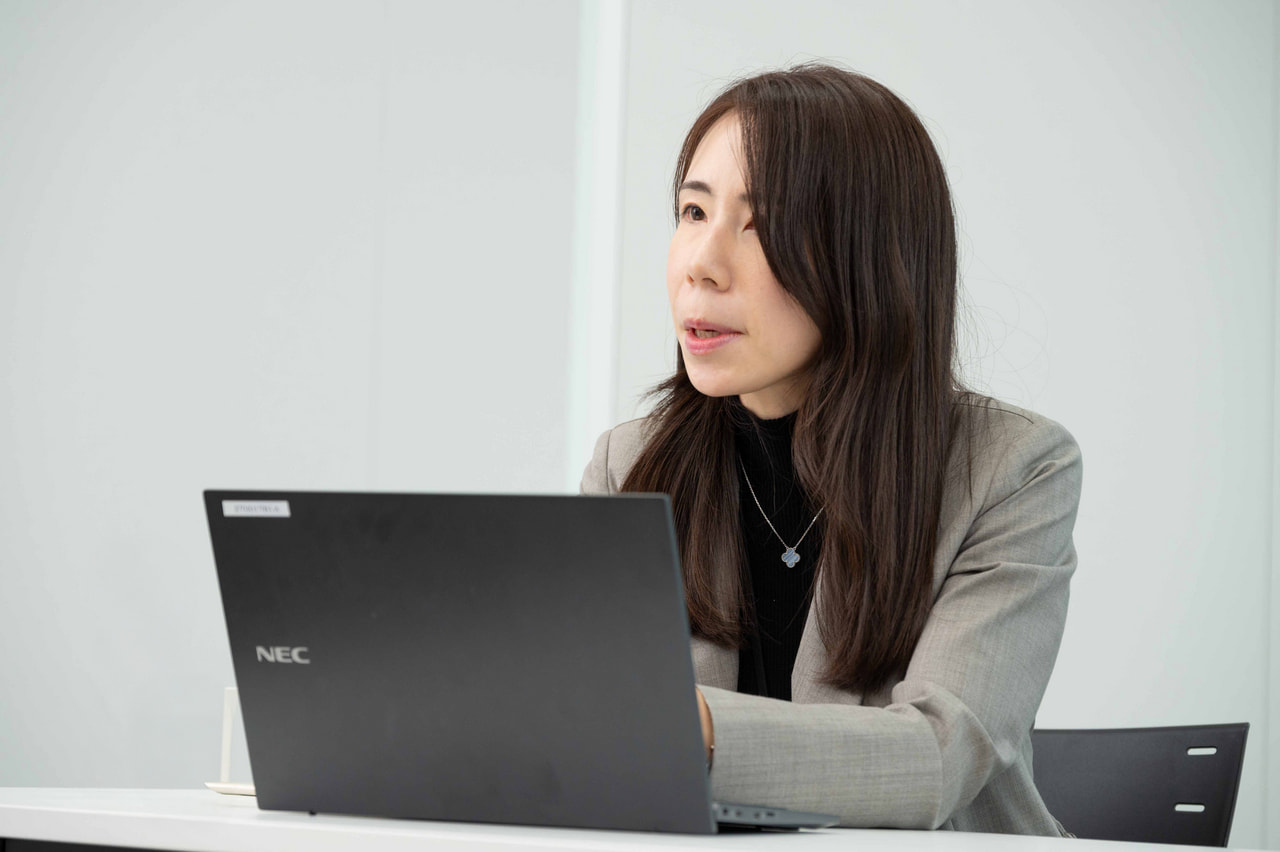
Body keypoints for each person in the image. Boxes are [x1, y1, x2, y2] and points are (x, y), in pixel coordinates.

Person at [579, 63, 1082, 835]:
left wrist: (683, 723)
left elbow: (935, 757)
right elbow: (591, 744)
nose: (700, 263)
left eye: (761, 225)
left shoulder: (1011, 469)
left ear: (868, 258)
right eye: (693, 211)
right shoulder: (630, 465)